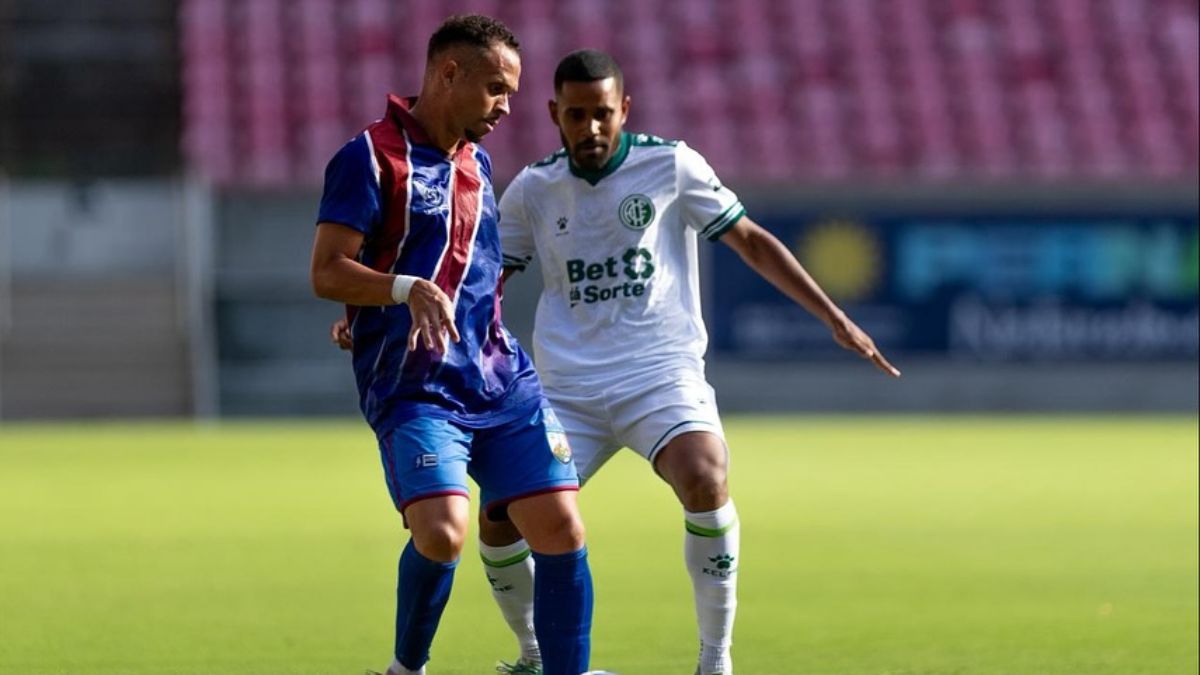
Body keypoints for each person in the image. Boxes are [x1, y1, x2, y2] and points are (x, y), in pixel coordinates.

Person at [334, 49, 900, 675]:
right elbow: (478, 274)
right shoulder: (530, 189)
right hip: (565, 385)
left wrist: (833, 316)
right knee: (498, 524)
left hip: (659, 373)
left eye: (602, 114)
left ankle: (716, 660)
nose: (591, 128)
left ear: (623, 109)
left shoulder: (672, 164)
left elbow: (750, 239)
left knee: (706, 475)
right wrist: (382, 306)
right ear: (555, 114)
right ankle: (532, 657)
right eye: (576, 115)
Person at [310, 17, 597, 675]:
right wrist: (395, 291)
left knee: (561, 526)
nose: (506, 107)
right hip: (416, 387)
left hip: (499, 378)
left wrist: (375, 299)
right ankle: (406, 668)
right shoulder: (369, 157)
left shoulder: (477, 161)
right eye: (496, 88)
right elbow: (327, 269)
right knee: (441, 534)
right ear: (448, 73)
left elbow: (462, 269)